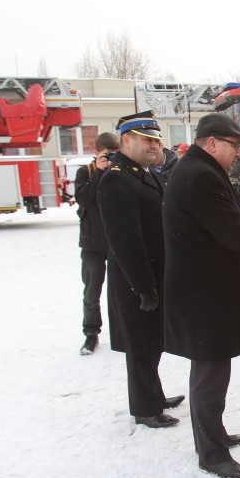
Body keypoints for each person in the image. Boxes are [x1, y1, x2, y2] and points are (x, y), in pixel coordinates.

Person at [162, 114, 240, 478]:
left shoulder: (198, 170)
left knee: (212, 372)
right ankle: (212, 453)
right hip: (204, 295)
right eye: (234, 146)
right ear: (212, 143)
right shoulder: (200, 176)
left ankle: (213, 435)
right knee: (209, 375)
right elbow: (235, 230)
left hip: (205, 291)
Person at [97, 111, 184, 429]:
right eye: (147, 139)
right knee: (140, 345)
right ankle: (145, 408)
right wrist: (143, 286)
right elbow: (126, 241)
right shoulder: (118, 179)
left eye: (156, 140)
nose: (154, 145)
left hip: (153, 274)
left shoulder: (141, 173)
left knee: (152, 341)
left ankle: (154, 395)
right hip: (136, 280)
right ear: (126, 141)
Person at [74, 132, 120, 355]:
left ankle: (122, 331)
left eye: (114, 154)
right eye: (105, 155)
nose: (110, 158)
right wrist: (99, 173)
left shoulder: (119, 170)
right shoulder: (86, 172)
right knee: (92, 291)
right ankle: (91, 333)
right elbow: (84, 199)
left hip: (115, 242)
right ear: (96, 154)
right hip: (92, 243)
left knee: (121, 291)